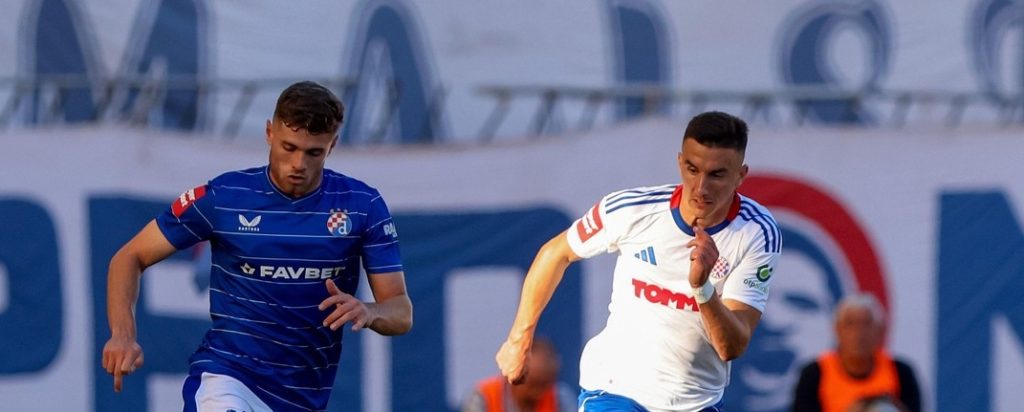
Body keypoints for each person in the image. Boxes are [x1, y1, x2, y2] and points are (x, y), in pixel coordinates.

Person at [101, 81, 413, 411]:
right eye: (289, 147)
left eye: (313, 153)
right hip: (228, 378)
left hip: (303, 395)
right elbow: (129, 256)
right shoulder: (224, 197)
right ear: (269, 133)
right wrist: (122, 334)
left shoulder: (363, 206)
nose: (299, 164)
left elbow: (401, 310)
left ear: (332, 145)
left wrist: (370, 311)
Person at [496, 111, 782, 411]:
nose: (700, 187)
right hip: (615, 390)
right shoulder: (633, 210)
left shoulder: (757, 233)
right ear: (679, 162)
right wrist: (519, 338)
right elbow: (556, 253)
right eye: (692, 169)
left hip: (696, 402)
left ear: (740, 175)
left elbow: (731, 346)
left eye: (716, 175)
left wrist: (702, 287)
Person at [791, 293, 920, 412]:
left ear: (881, 329)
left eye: (866, 324)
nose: (859, 333)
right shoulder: (815, 374)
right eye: (850, 324)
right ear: (837, 330)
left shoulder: (900, 372)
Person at [462, 337, 577, 412]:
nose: (538, 392)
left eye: (545, 383)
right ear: (514, 374)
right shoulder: (483, 396)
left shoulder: (560, 398)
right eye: (533, 382)